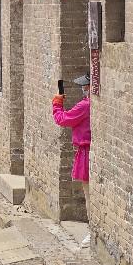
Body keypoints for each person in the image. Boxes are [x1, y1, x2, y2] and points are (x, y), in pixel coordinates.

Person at [52, 74, 91, 246]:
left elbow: (62, 119)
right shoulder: (92, 104)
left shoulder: (85, 105)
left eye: (85, 86)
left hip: (86, 152)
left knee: (89, 194)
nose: (83, 88)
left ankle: (93, 231)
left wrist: (57, 104)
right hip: (87, 150)